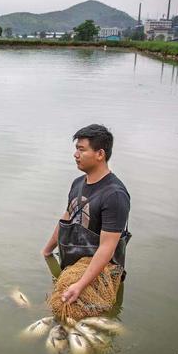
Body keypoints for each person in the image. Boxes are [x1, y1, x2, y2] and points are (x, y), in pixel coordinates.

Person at [41, 124, 130, 305]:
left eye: (82, 149)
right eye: (76, 149)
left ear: (100, 154)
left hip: (100, 279)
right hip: (72, 268)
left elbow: (107, 248)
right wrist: (47, 250)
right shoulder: (77, 183)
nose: (76, 154)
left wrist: (80, 285)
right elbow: (67, 218)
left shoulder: (115, 195)